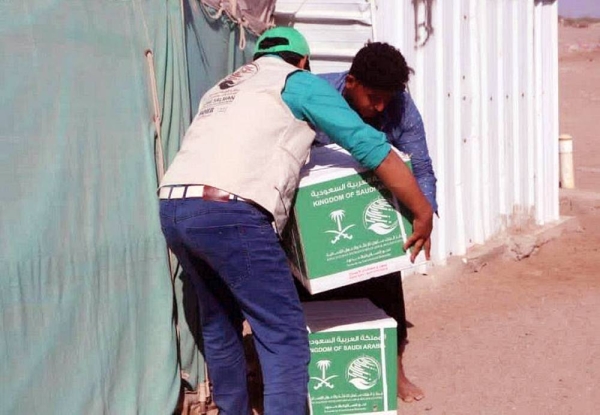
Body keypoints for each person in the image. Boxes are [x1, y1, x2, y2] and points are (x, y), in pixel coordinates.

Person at [158, 27, 433, 415]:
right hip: (231, 212)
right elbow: (371, 148)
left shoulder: (224, 87)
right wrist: (422, 212)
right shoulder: (299, 82)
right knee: (284, 335)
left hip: (173, 207)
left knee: (219, 325)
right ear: (303, 61)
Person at [304, 41, 438, 403]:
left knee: (386, 288)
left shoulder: (401, 108)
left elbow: (421, 167)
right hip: (317, 222)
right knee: (309, 300)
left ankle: (394, 372)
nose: (381, 108)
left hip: (373, 214)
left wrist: (422, 219)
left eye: (388, 99)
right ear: (350, 82)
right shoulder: (317, 97)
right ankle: (310, 380)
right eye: (374, 98)